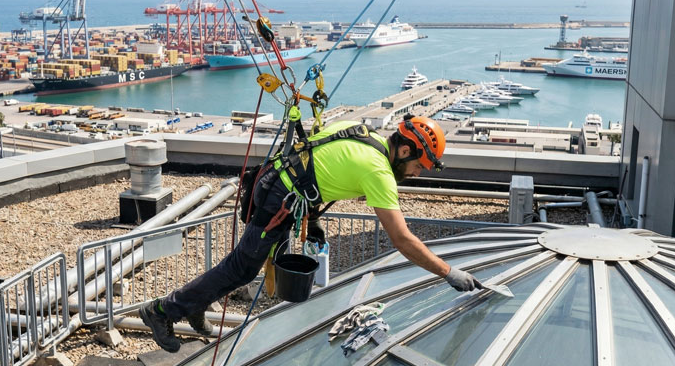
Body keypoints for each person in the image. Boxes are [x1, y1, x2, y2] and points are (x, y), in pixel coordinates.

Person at [140, 114, 482, 352]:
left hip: (278, 185)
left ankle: (194, 303)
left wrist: (314, 219)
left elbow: (319, 166)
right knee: (242, 268)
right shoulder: (379, 172)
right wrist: (448, 272)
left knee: (242, 265)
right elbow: (402, 238)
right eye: (419, 166)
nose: (418, 174)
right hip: (279, 199)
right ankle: (162, 311)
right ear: (406, 150)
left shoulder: (362, 133)